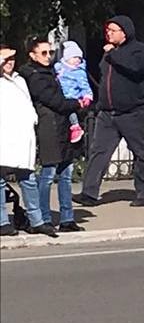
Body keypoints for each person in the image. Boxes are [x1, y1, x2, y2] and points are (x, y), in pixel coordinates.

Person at [75, 15, 144, 208]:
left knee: (140, 152)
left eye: (113, 30)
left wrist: (113, 55)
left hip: (131, 111)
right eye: (108, 30)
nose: (108, 34)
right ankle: (89, 193)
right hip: (107, 112)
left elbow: (136, 69)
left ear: (125, 32)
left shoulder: (138, 50)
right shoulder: (110, 53)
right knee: (99, 152)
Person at [20, 38, 89, 235]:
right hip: (48, 127)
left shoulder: (53, 71)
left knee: (66, 174)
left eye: (50, 52)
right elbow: (54, 101)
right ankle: (44, 217)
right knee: (48, 175)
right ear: (32, 55)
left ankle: (67, 218)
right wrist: (77, 104)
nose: (48, 56)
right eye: (43, 53)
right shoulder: (34, 75)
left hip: (62, 126)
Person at [0, 46, 39, 237]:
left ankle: (36, 219)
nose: (10, 63)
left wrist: (32, 118)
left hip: (22, 138)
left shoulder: (19, 80)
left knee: (28, 179)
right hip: (5, 138)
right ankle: (2, 222)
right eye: (5, 59)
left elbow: (27, 103)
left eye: (12, 59)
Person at [54, 40, 92, 144]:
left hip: (72, 95)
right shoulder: (59, 67)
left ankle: (76, 126)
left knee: (71, 112)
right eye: (74, 57)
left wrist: (87, 96)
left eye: (79, 58)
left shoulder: (79, 72)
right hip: (61, 94)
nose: (77, 60)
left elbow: (85, 85)